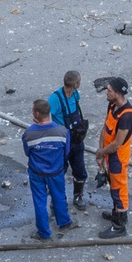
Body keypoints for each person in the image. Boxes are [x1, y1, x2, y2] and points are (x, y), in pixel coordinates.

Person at [22, 98, 70, 241]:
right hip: (56, 172)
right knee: (59, 196)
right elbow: (66, 152)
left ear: (37, 113)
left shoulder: (29, 134)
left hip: (37, 173)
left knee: (39, 201)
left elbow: (27, 152)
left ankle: (43, 233)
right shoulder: (62, 132)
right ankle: (64, 222)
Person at [95, 77, 132, 236]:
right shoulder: (112, 105)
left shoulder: (127, 115)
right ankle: (117, 213)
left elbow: (117, 143)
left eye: (109, 91)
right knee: (113, 186)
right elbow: (105, 128)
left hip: (117, 157)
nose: (106, 92)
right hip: (108, 153)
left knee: (119, 190)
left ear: (118, 94)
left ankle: (119, 226)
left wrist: (101, 153)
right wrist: (100, 150)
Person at [45, 70, 89, 210]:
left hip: (76, 140)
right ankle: (56, 199)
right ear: (75, 84)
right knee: (58, 171)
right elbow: (44, 116)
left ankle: (78, 195)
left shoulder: (75, 95)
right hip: (62, 142)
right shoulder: (55, 99)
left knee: (80, 170)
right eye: (79, 81)